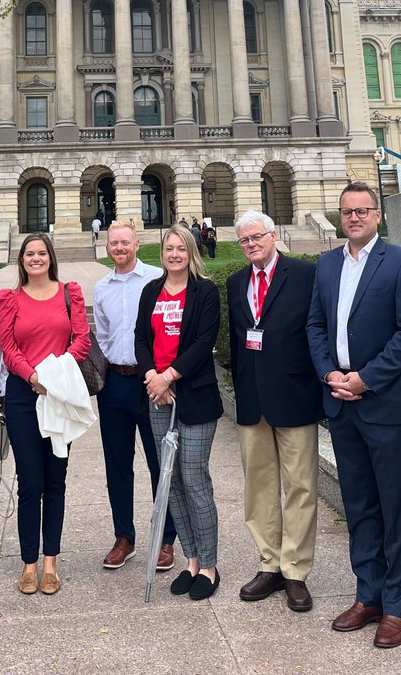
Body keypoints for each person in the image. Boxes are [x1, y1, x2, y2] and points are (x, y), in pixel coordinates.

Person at [306, 181, 401, 650]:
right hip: (341, 404)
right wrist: (330, 374)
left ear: (377, 215)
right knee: (359, 506)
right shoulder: (328, 264)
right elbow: (316, 325)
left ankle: (397, 606)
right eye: (346, 212)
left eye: (361, 210)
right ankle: (369, 594)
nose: (353, 218)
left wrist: (365, 378)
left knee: (395, 509)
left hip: (384, 406)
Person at [228, 210, 322, 612]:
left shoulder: (303, 275)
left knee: (300, 486)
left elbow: (317, 330)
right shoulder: (235, 283)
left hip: (295, 394)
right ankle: (269, 563)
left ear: (273, 236)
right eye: (244, 240)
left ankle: (295, 571)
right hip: (253, 400)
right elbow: (235, 341)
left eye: (257, 237)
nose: (251, 245)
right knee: (260, 486)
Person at [0, 233, 90, 595]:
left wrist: (52, 377)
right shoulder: (10, 299)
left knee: (56, 481)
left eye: (41, 253)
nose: (36, 259)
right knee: (30, 482)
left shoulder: (70, 293)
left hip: (59, 394)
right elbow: (8, 347)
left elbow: (81, 339)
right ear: (22, 261)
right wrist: (34, 377)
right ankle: (29, 563)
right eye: (29, 254)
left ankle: (51, 560)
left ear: (50, 258)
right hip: (23, 396)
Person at [135, 224, 223, 601]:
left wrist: (169, 375)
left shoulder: (204, 291)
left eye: (181, 249)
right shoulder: (150, 291)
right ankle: (190, 558)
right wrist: (152, 376)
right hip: (159, 397)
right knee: (169, 481)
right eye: (169, 248)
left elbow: (204, 341)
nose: (174, 255)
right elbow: (140, 337)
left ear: (191, 253)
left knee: (193, 478)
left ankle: (210, 565)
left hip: (194, 396)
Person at [92, 221, 175, 573]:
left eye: (125, 242)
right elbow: (103, 334)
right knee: (117, 464)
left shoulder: (157, 279)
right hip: (114, 382)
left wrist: (164, 377)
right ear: (107, 246)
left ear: (137, 244)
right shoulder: (101, 288)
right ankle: (124, 536)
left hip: (152, 382)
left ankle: (166, 538)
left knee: (161, 464)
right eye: (114, 243)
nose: (120, 248)